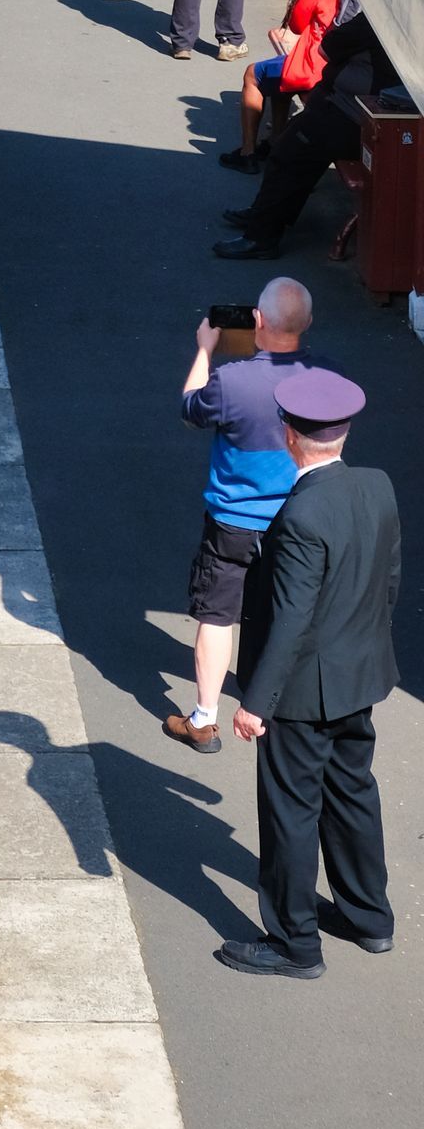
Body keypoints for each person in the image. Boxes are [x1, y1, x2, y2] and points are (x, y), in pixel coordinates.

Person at [218, 369, 399, 978]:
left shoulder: (300, 515)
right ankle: (368, 917)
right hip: (360, 678)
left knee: (291, 810)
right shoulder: (377, 487)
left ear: (290, 435)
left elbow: (290, 620)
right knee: (353, 796)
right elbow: (388, 583)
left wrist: (255, 703)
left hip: (300, 694)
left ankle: (295, 944)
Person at [166, 279, 315, 755]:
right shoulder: (322, 376)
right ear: (306, 324)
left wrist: (206, 350)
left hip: (233, 521)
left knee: (216, 615)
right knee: (286, 610)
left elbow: (191, 409)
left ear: (258, 321)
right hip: (295, 517)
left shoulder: (231, 382)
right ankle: (274, 702)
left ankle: (204, 720)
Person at [215, 0, 399, 260]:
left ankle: (261, 237)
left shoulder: (376, 21)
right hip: (366, 114)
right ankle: (264, 215)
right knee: (299, 142)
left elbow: (327, 48)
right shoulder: (401, 24)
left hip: (356, 114)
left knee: (289, 152)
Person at [222, 0, 345, 175]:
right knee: (281, 77)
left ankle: (247, 153)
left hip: (314, 64)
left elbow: (297, 26)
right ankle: (275, 141)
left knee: (253, 74)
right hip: (342, 65)